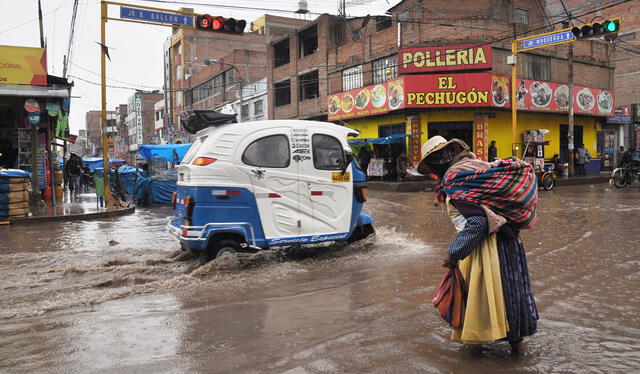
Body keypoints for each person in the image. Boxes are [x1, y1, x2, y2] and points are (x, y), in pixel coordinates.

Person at [417, 136, 538, 355]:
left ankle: (476, 350)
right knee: (512, 294)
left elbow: (478, 222)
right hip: (510, 243)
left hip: (486, 249)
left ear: (438, 163)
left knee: (481, 296)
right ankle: (517, 350)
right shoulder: (477, 167)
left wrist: (454, 255)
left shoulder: (456, 179)